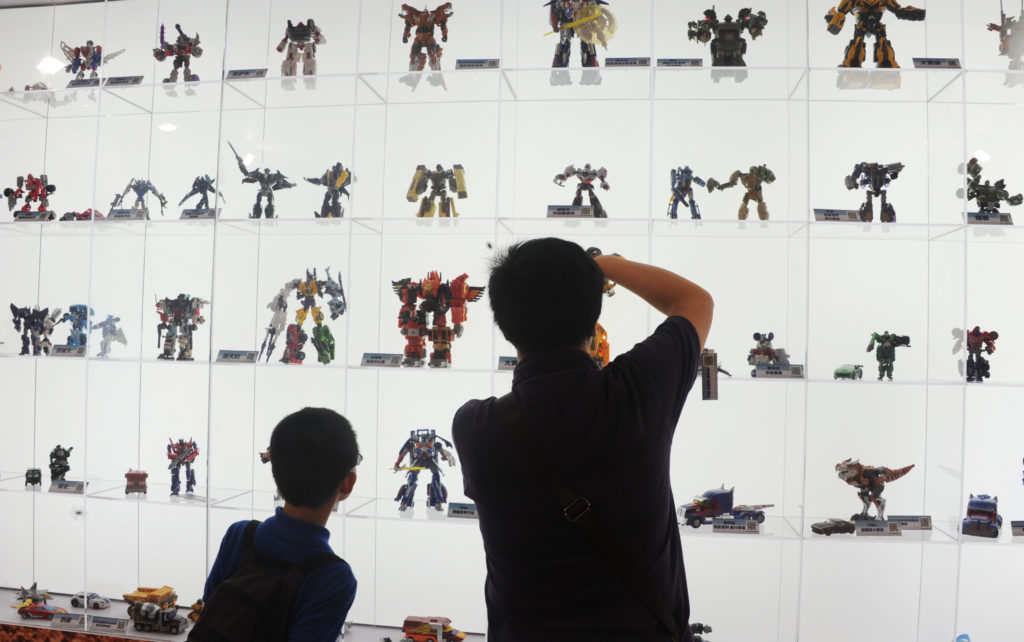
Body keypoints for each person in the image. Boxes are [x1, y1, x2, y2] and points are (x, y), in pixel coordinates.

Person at [452, 238, 713, 642]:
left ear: (504, 325)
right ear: (594, 325)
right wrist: (602, 264)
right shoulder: (638, 390)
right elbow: (693, 301)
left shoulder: (474, 427)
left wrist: (588, 271)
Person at [199, 407, 360, 642]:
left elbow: (210, 614)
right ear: (347, 484)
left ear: (275, 470)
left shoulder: (239, 534)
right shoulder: (334, 577)